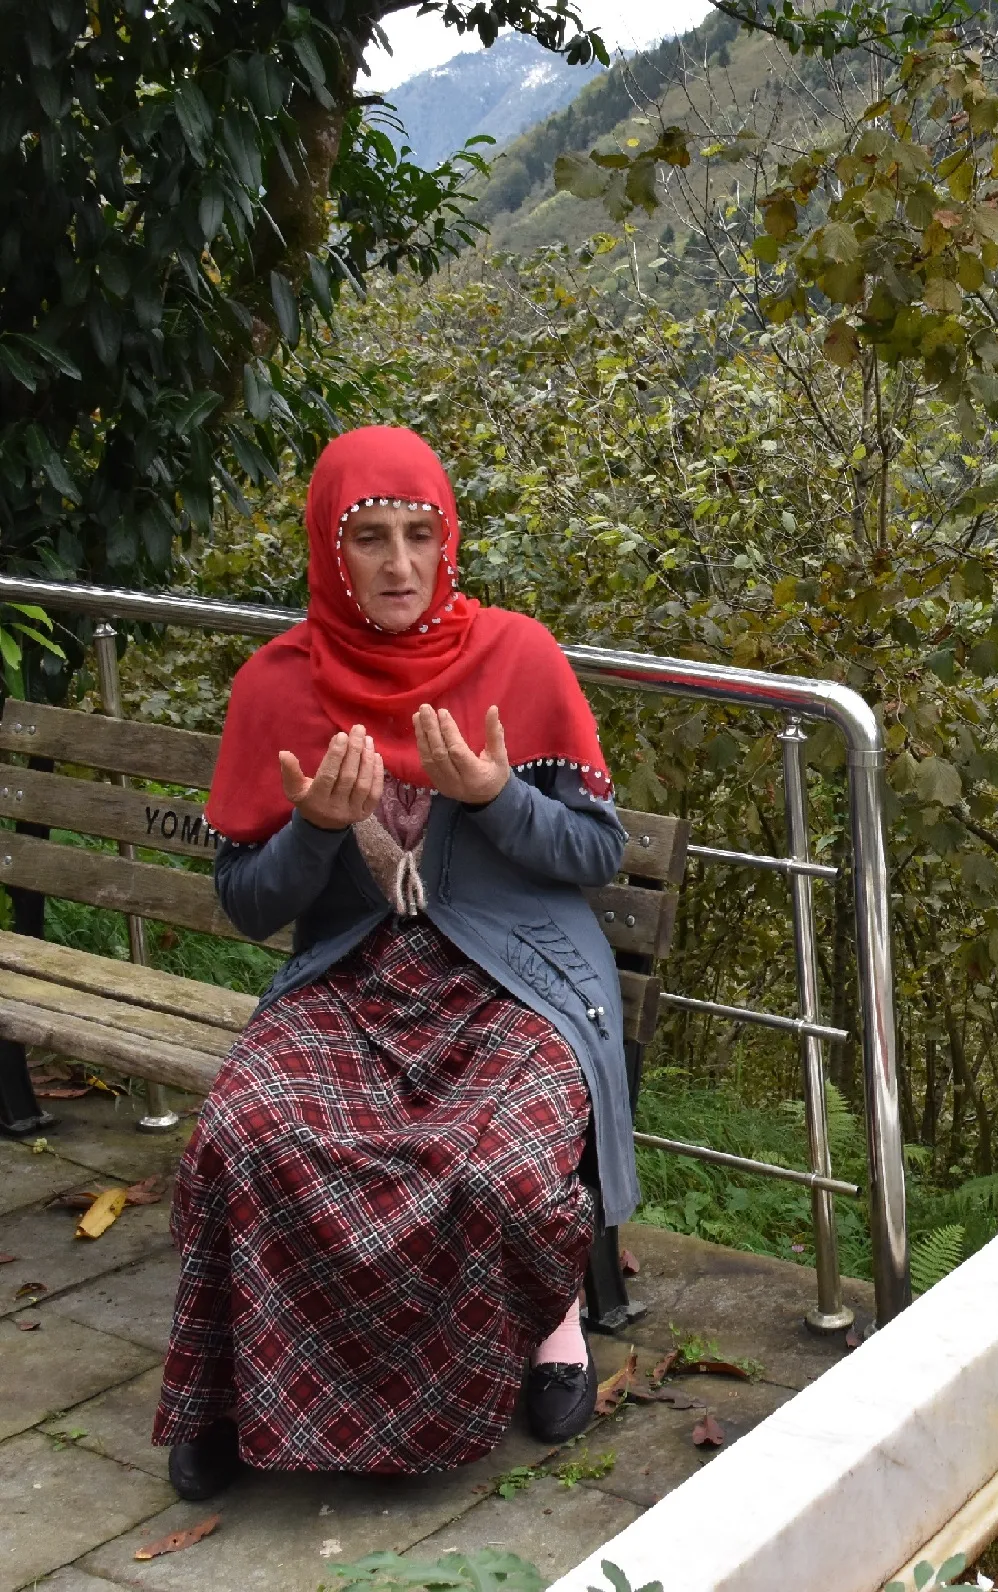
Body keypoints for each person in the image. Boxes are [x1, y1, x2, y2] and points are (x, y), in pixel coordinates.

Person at [155, 426, 638, 1499]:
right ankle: (227, 1385)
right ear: (331, 552)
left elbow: (598, 852)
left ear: (450, 538)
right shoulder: (277, 682)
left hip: (521, 977)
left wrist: (496, 796)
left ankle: (552, 1327)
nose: (401, 565)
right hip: (354, 974)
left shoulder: (519, 656)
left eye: (421, 534)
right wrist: (317, 830)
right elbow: (245, 903)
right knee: (249, 1131)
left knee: (500, 1164)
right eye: (370, 538)